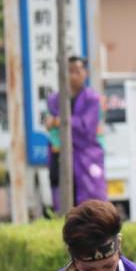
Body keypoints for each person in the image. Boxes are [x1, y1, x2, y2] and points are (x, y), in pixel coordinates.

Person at [45, 56, 107, 211]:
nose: (73, 75)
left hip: (86, 157)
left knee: (91, 205)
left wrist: (59, 122)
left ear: (85, 73)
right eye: (70, 71)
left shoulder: (92, 99)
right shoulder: (54, 100)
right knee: (63, 202)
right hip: (60, 156)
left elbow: (86, 128)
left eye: (77, 71)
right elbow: (49, 125)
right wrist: (53, 124)